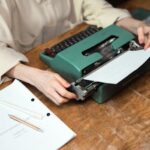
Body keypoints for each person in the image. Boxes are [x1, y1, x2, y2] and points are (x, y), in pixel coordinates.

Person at [0, 0, 150, 105]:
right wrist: (32, 75)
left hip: (78, 40)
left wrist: (134, 24)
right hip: (30, 65)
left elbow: (93, 6)